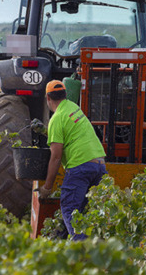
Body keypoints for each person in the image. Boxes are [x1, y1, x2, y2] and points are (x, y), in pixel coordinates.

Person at [38, 80, 107, 241]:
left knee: (69, 208)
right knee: (84, 211)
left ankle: (83, 251)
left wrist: (47, 188)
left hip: (80, 167)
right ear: (65, 95)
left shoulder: (56, 119)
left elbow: (55, 157)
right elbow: (67, 134)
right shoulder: (74, 108)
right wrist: (44, 131)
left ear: (48, 97)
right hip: (99, 165)